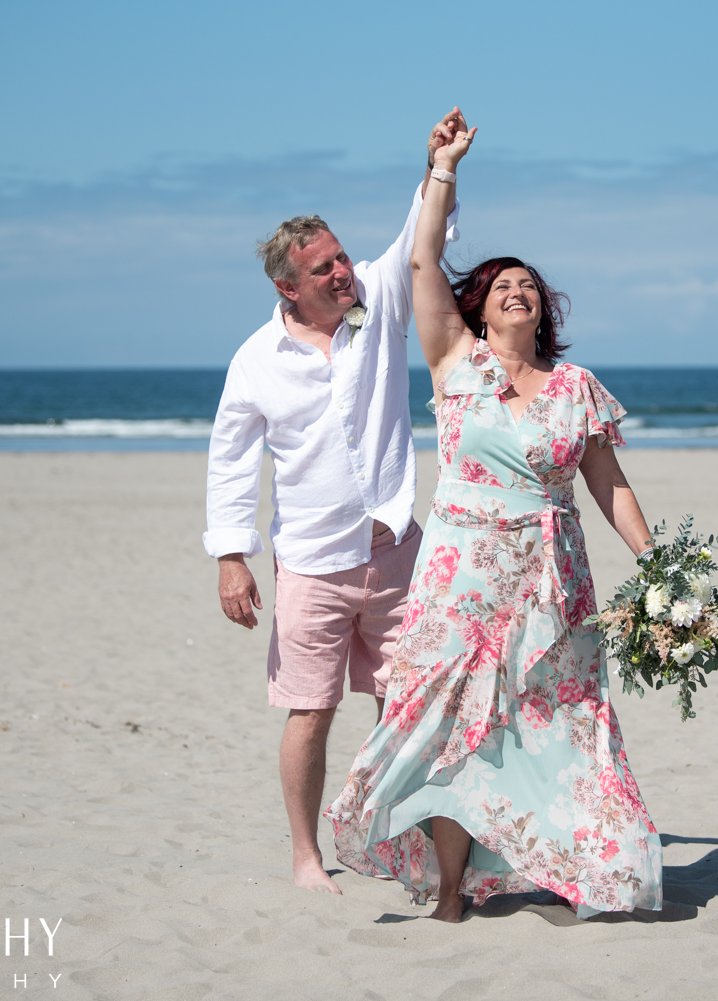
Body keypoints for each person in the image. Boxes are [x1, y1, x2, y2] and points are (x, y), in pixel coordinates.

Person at [325, 123, 664, 920]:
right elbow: (419, 259)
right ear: (479, 304)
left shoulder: (576, 385)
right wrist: (441, 169)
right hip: (464, 578)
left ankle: (572, 867)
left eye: (530, 286)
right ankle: (450, 890)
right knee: (452, 725)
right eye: (503, 284)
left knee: (564, 725)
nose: (518, 291)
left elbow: (610, 485)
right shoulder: (454, 359)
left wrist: (658, 566)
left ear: (544, 307)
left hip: (553, 583)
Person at [204, 109, 466, 894]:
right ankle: (306, 855)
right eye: (322, 269)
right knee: (309, 713)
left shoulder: (378, 301)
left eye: (342, 257)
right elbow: (229, 458)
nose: (341, 273)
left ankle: (403, 842)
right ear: (288, 285)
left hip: (393, 546)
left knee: (405, 703)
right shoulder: (255, 359)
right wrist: (230, 556)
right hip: (312, 563)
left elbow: (421, 233)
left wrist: (439, 165)